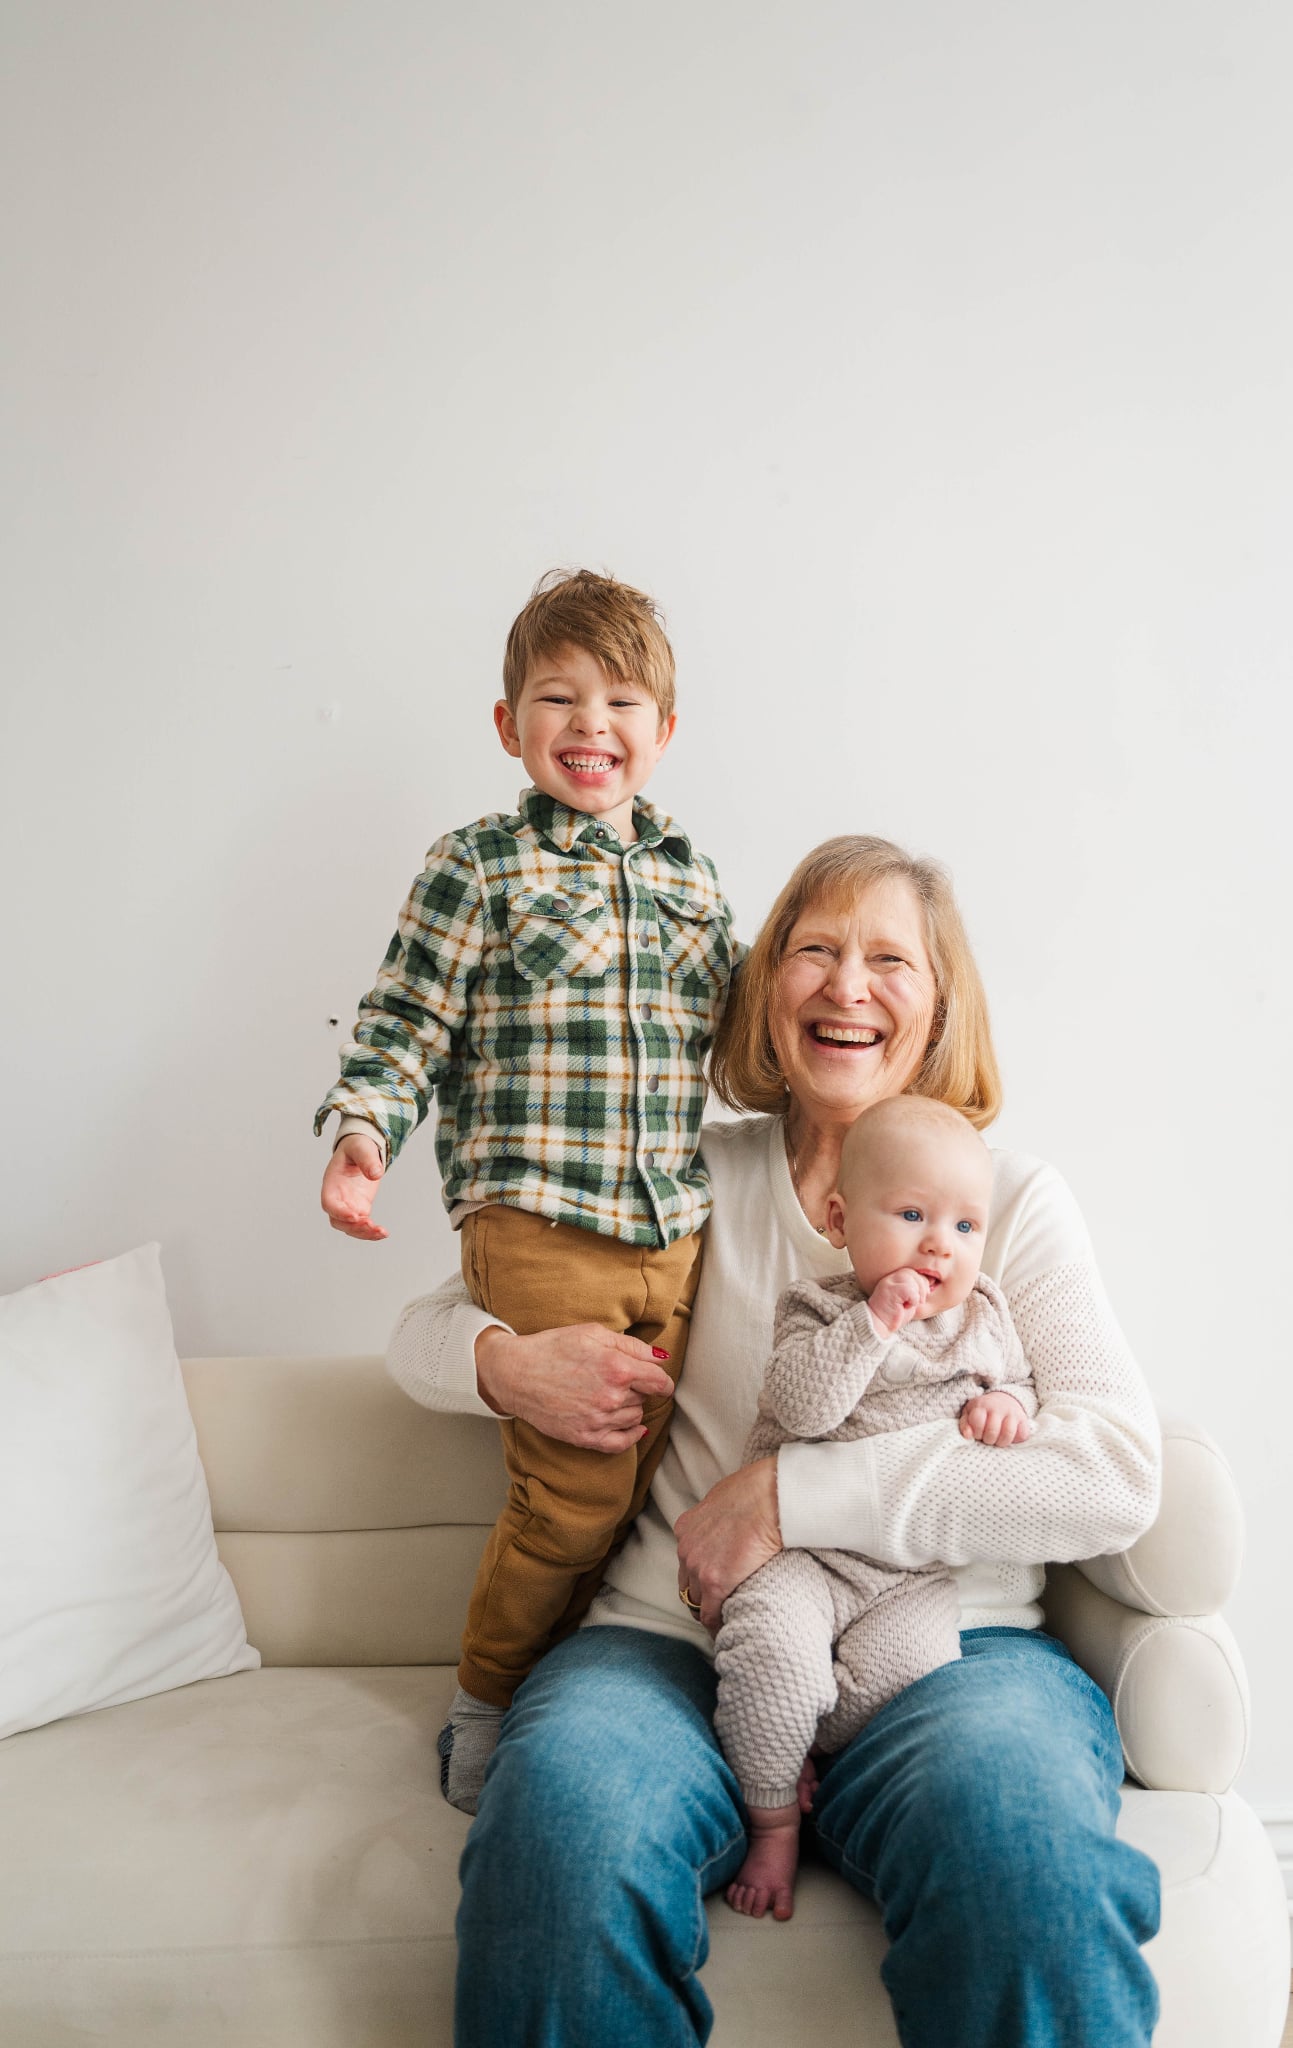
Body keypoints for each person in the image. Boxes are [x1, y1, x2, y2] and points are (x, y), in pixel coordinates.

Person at [387, 833, 1164, 2048]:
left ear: (940, 1004)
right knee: (559, 1848)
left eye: (889, 959)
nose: (848, 985)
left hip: (954, 1655)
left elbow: (1111, 1473)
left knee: (1030, 1868)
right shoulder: (672, 1176)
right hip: (672, 1646)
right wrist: (506, 1363)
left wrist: (792, 1496)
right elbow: (420, 1332)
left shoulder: (1005, 1201)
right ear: (765, 984)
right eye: (814, 949)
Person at [314, 569, 737, 1812]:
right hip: (540, 1217)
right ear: (509, 725)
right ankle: (486, 1701)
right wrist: (362, 1133)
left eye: (621, 701)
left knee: (648, 1486)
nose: (590, 722)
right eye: (558, 697)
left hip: (677, 1227)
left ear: (665, 730)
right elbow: (404, 1020)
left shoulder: (695, 879)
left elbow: (743, 1041)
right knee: (572, 1495)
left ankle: (583, 1697)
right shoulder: (481, 866)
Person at [714, 1092, 1037, 1922]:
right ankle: (773, 1818)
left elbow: (1021, 1383)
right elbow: (801, 1409)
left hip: (909, 1577)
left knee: (910, 1676)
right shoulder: (815, 1310)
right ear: (839, 1219)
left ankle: (801, 1740)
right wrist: (873, 1324)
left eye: (964, 1225)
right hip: (799, 1560)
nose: (939, 1244)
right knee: (773, 1659)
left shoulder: (985, 1315)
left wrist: (1008, 1403)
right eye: (911, 1215)